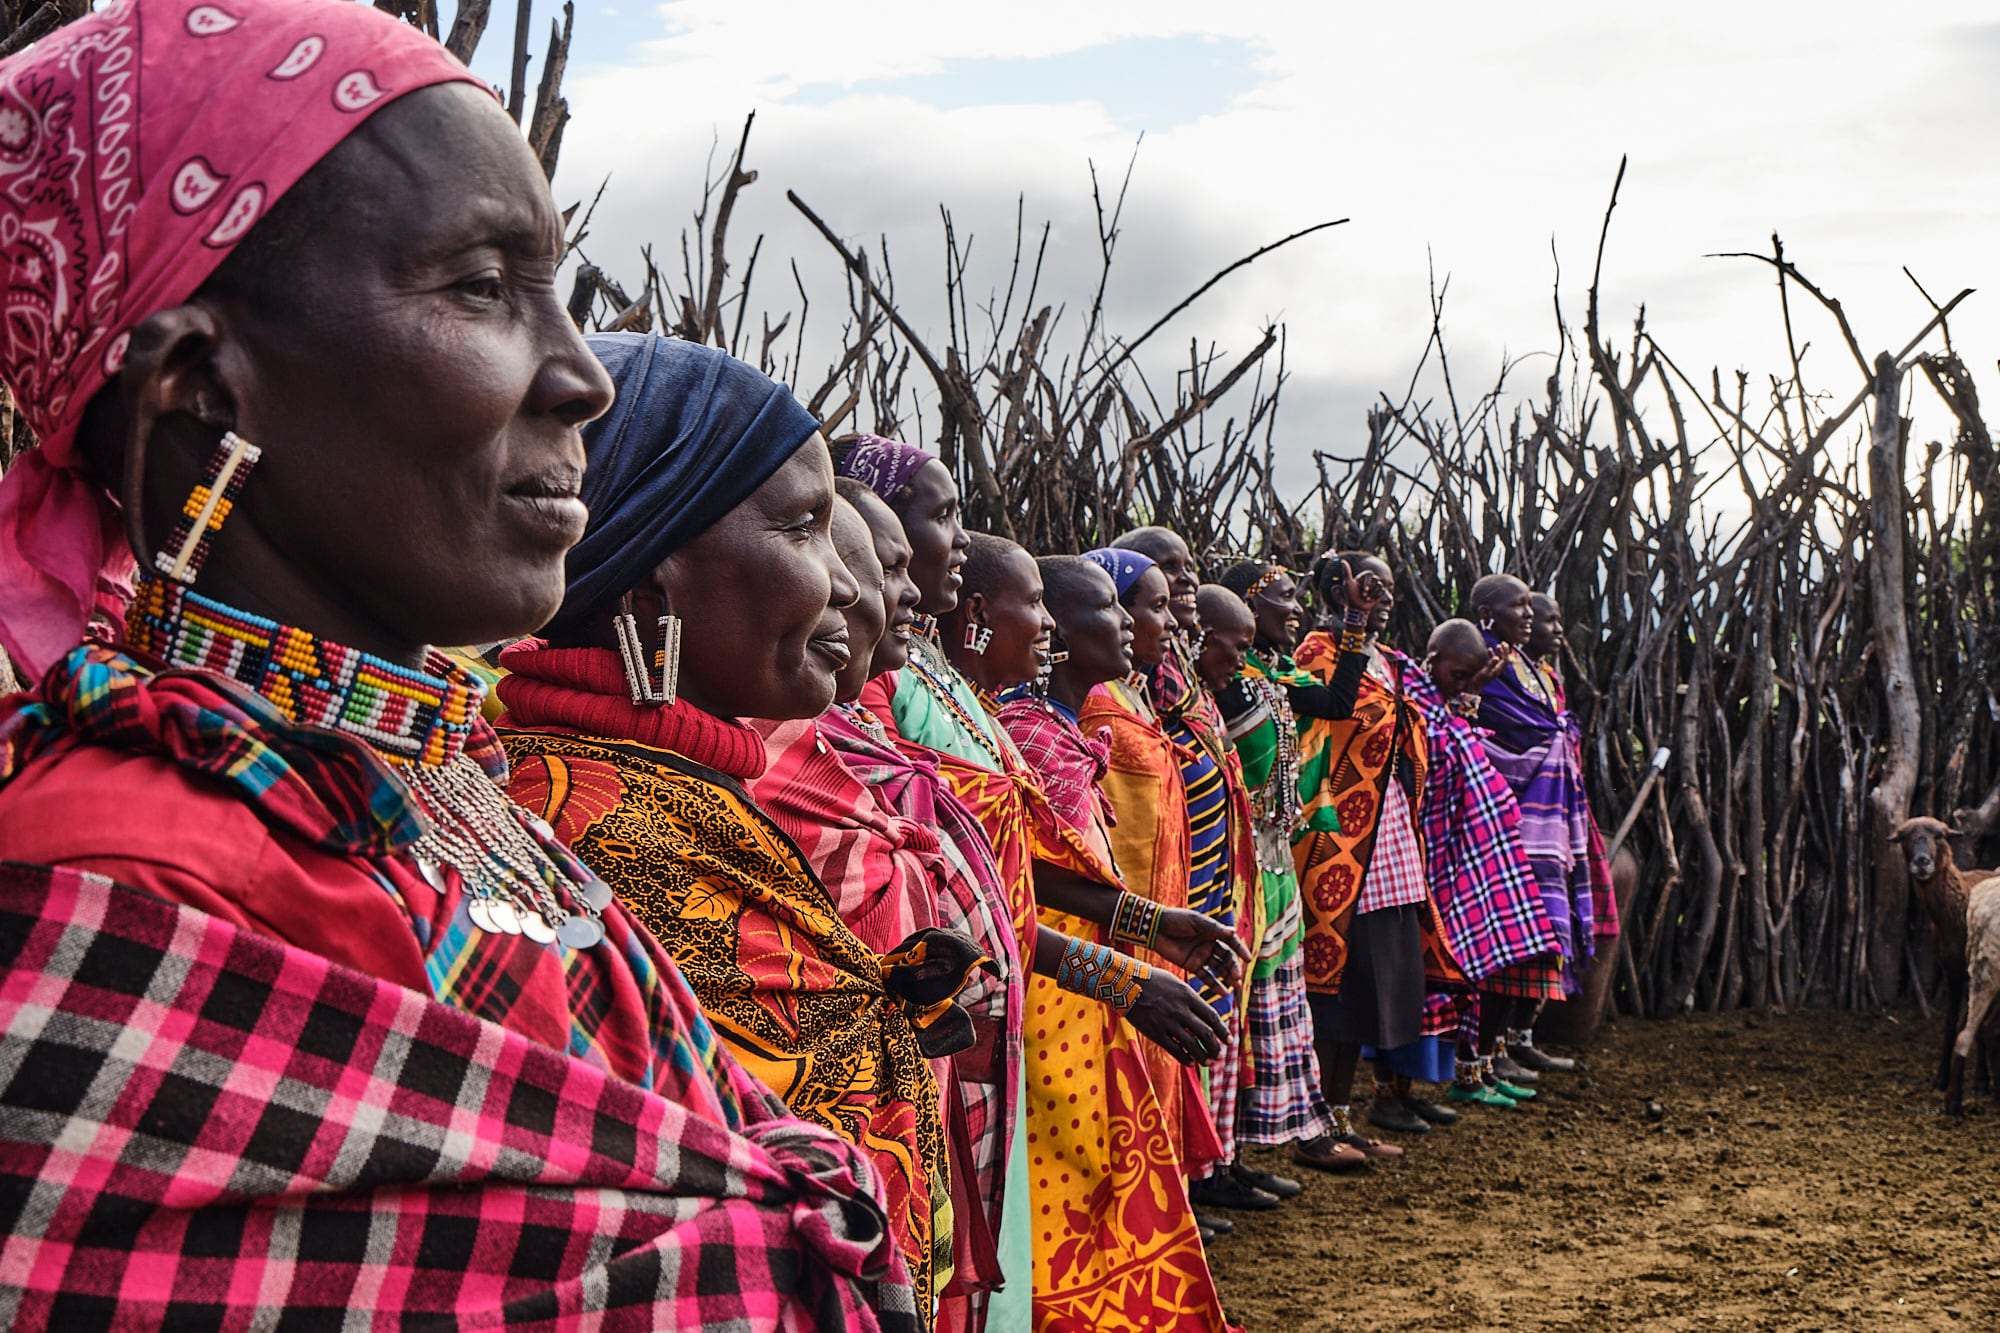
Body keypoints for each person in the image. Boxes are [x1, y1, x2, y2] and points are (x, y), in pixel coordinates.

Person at [0, 5, 915, 1327]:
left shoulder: (435, 791)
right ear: (200, 387)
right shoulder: (129, 873)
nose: (585, 378)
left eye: (563, 294)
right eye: (484, 286)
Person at [496, 333, 968, 1315]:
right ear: (647, 597)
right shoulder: (581, 825)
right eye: (801, 526)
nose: (848, 586)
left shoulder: (683, 780)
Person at [993, 555, 1235, 1332]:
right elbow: (1013, 881)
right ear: (1060, 629)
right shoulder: (1030, 732)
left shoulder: (1060, 728)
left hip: (1096, 976)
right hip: (1052, 990)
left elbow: (1048, 875)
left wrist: (1151, 930)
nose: (1133, 625)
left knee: (1098, 1171)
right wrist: (1134, 950)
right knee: (1061, 1175)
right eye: (1116, 608)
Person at [1289, 554, 1469, 1161]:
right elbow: (1337, 717)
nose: (1384, 596)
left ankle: (1341, 1118)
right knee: (1335, 989)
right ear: (1339, 588)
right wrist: (1353, 620)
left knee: (1373, 986)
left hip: (1389, 844)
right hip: (1337, 844)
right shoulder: (1315, 654)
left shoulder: (1387, 662)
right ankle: (1313, 1125)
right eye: (1372, 586)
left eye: (1390, 587)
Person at [1389, 619, 1565, 1111]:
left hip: (1463, 861)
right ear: (1432, 660)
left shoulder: (1446, 703)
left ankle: (1466, 1072)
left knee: (1471, 974)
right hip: (1431, 861)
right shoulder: (1416, 704)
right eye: (1459, 674)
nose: (1465, 684)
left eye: (1472, 677)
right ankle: (1409, 1088)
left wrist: (1471, 693)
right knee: (1432, 979)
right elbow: (1440, 760)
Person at [1214, 561, 1354, 1175]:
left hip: (1273, 855)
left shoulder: (1274, 676)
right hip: (1240, 860)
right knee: (1244, 1001)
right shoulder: (1229, 679)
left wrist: (1354, 623)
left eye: (1298, 597)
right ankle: (1225, 1158)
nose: (1293, 608)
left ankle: (1258, 1143)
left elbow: (1337, 701)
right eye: (1281, 597)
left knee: (1275, 998)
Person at [1469, 574, 1599, 1082]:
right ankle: (1482, 1055)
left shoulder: (1528, 669)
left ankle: (1512, 1042)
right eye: (1519, 607)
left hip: (1547, 821)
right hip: (1512, 821)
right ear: (1487, 613)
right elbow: (1493, 740)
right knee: (1510, 934)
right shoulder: (1486, 664)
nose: (1528, 617)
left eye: (1531, 608)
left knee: (1541, 930)